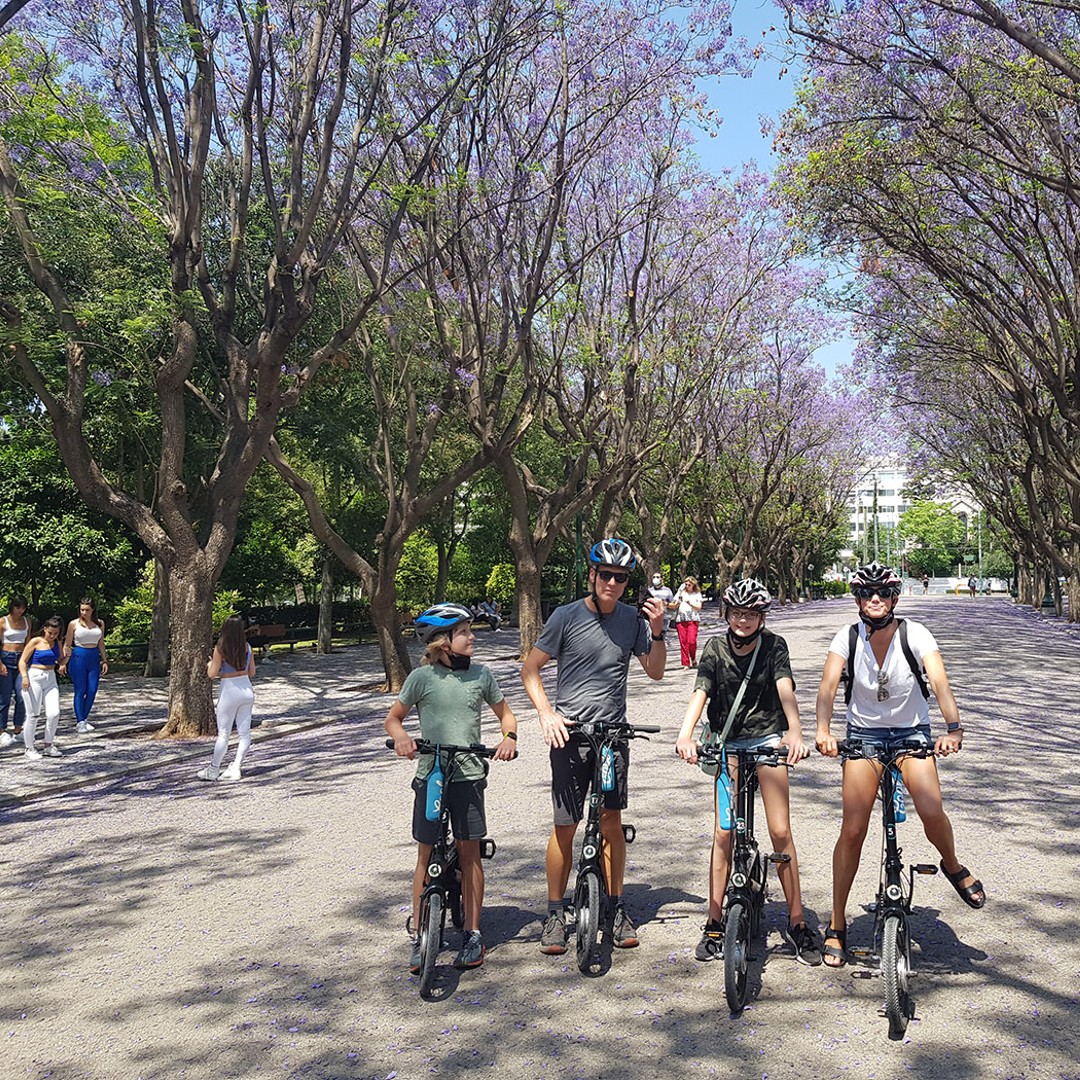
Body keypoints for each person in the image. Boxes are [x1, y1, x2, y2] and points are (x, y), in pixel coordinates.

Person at [815, 561, 985, 968]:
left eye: (883, 593)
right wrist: (823, 731)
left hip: (911, 733)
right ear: (858, 599)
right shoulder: (847, 637)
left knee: (931, 810)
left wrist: (954, 728)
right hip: (864, 736)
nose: (875, 599)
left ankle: (952, 865)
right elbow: (827, 686)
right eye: (867, 593)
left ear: (894, 598)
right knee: (853, 829)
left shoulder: (916, 633)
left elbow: (939, 682)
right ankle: (837, 924)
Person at [521, 537, 666, 955]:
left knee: (611, 821)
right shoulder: (565, 616)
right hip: (570, 735)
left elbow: (655, 672)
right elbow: (531, 669)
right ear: (592, 574)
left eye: (621, 578)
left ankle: (615, 908)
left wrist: (658, 631)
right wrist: (547, 714)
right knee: (565, 826)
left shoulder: (632, 620)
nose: (613, 584)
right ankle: (554, 913)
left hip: (612, 737)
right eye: (606, 575)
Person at [675, 579, 822, 966]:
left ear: (762, 617)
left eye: (752, 614)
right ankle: (713, 921)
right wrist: (685, 735)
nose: (743, 620)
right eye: (737, 613)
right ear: (727, 614)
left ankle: (797, 922)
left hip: (767, 740)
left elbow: (785, 689)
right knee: (723, 832)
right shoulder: (715, 647)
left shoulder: (774, 646)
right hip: (726, 743)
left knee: (780, 831)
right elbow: (701, 692)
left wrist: (795, 732)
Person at [385, 603, 518, 972]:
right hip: (431, 774)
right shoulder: (421, 678)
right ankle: (420, 933)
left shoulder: (481, 675)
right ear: (442, 642)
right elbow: (393, 719)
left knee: (469, 851)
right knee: (425, 853)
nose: (472, 637)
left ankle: (473, 934)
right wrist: (402, 738)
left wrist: (508, 737)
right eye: (464, 632)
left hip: (469, 774)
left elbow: (507, 715)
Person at [198, 615, 256, 782]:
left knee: (224, 733)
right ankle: (236, 767)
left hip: (229, 690)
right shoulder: (247, 647)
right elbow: (252, 672)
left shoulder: (221, 647)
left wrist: (210, 664)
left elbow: (211, 674)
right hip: (246, 688)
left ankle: (214, 768)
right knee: (244, 733)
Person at [60, 597, 109, 733]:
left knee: (92, 690)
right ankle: (80, 720)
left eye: (87, 610)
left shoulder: (100, 623)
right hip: (79, 656)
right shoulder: (74, 624)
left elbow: (101, 642)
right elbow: (67, 644)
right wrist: (63, 662)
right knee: (80, 690)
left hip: (93, 656)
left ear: (93, 610)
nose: (84, 612)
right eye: (82, 610)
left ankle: (84, 718)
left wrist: (104, 660)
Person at [18, 615, 65, 759]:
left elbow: (61, 659)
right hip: (34, 676)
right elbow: (22, 661)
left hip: (50, 678)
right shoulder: (36, 641)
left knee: (54, 713)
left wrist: (65, 659)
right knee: (33, 714)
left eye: (55, 633)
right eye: (50, 632)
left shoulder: (57, 642)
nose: (52, 636)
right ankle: (29, 748)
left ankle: (48, 745)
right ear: (45, 629)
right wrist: (24, 677)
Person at [0, 595, 31, 748]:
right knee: (5, 697)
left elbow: (28, 642)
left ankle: (18, 728)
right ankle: (2, 730)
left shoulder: (27, 621)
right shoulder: (3, 621)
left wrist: (27, 661)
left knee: (22, 695)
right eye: (17, 607)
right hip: (6, 657)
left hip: (21, 659)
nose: (20, 611)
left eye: (23, 608)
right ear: (12, 607)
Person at [670, 575, 704, 669]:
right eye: (686, 584)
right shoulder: (681, 592)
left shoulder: (697, 594)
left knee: (691, 641)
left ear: (693, 585)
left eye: (689, 584)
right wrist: (666, 604)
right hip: (681, 619)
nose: (687, 585)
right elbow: (674, 605)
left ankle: (693, 658)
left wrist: (690, 603)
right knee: (683, 642)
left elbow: (699, 607)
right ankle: (686, 663)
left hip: (693, 619)